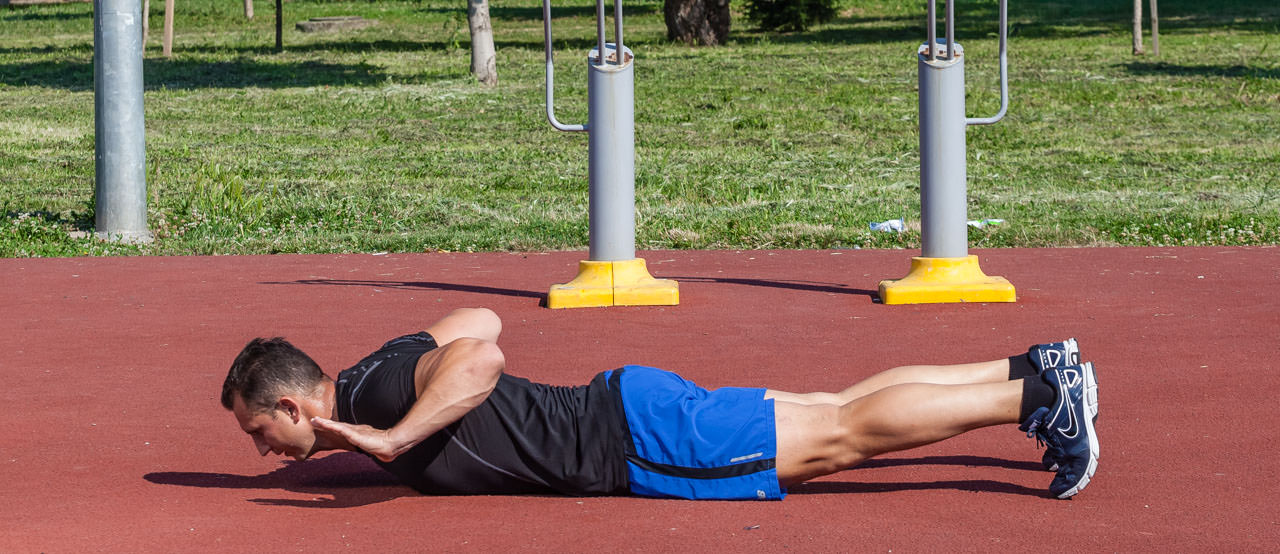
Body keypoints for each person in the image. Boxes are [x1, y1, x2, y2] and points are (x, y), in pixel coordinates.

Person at [222, 307, 1099, 501]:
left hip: (634, 439)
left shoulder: (377, 400)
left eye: (259, 432)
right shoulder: (379, 360)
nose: (259, 449)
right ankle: (1028, 367)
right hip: (628, 406)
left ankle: (1041, 395)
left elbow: (484, 350)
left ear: (297, 407)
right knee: (838, 407)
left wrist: (397, 438)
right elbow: (471, 320)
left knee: (841, 436)